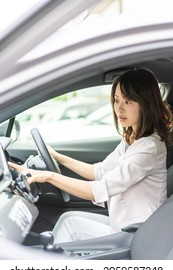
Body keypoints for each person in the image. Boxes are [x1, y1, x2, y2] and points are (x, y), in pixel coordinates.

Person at [9, 68, 173, 244]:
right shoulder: (132, 140)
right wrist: (58, 157)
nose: (120, 108)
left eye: (128, 101)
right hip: (125, 226)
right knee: (68, 219)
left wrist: (48, 176)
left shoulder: (149, 147)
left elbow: (98, 189)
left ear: (145, 103)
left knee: (70, 227)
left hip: (140, 235)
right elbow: (99, 171)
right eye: (117, 100)